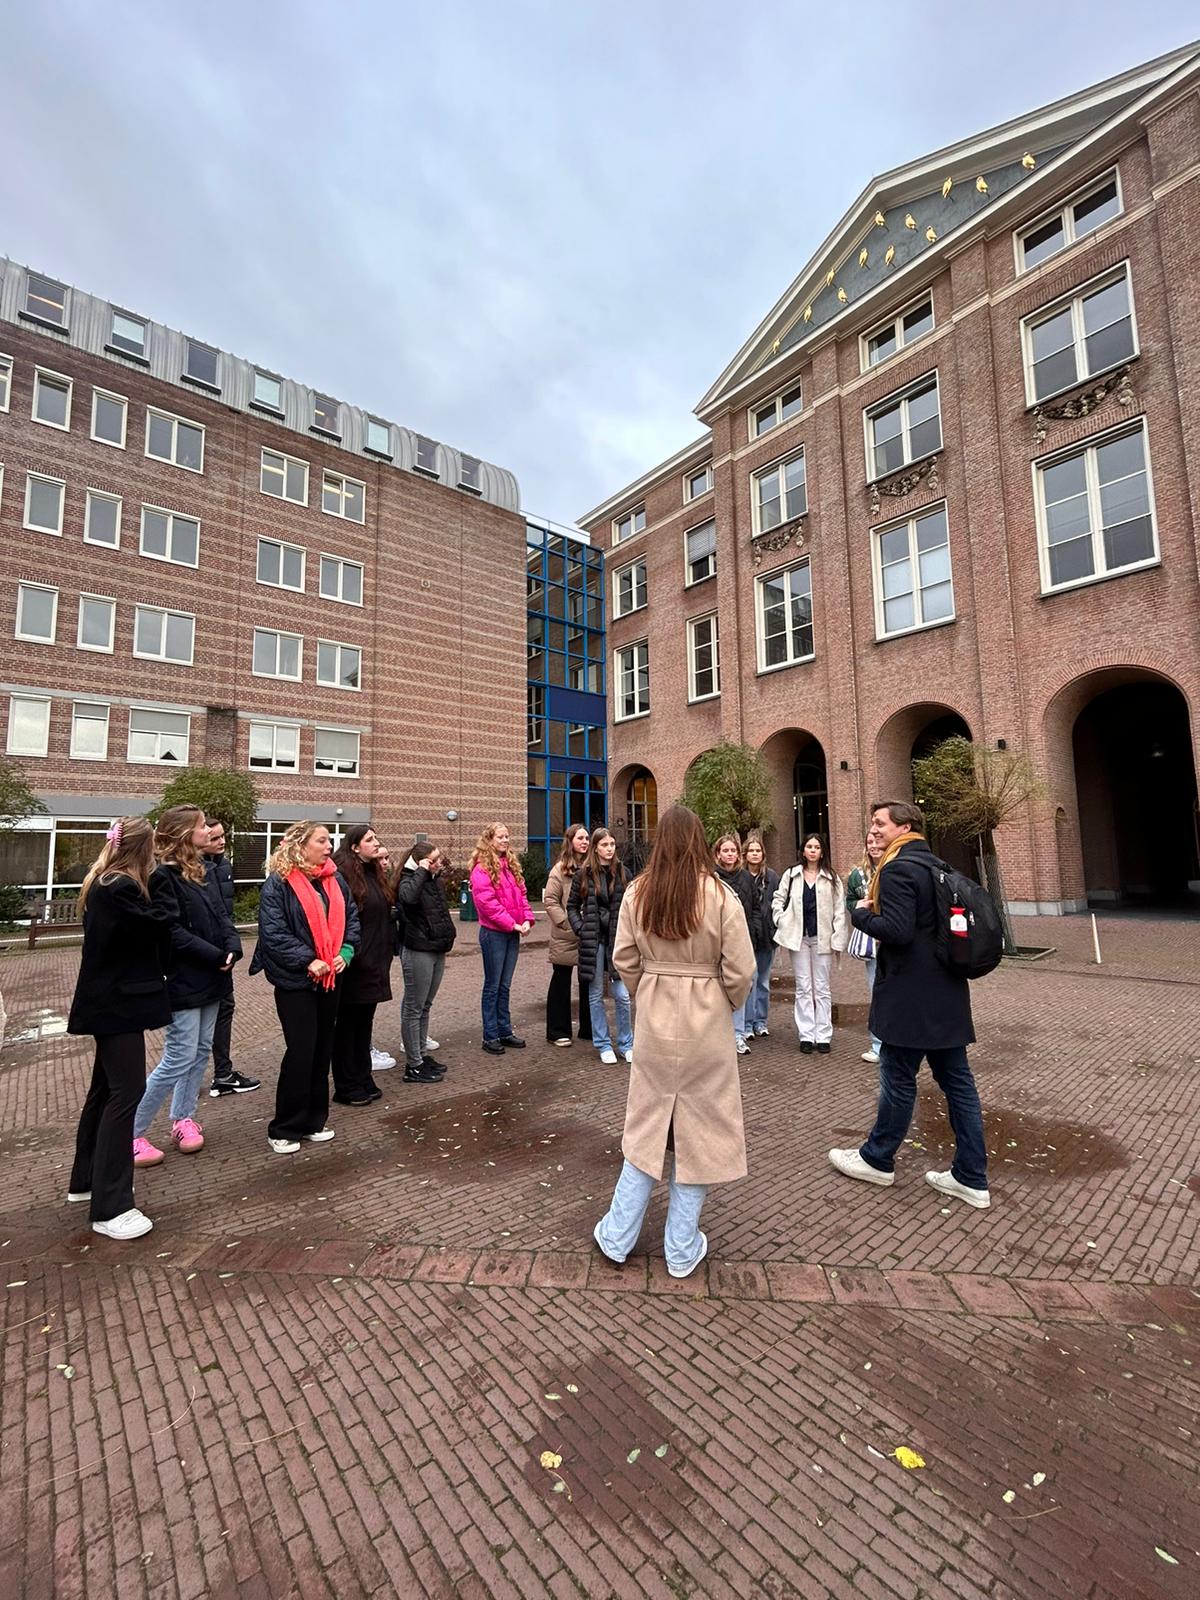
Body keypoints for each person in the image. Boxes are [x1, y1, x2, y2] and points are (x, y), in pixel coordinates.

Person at [593, 805, 755, 1277]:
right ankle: (681, 1248)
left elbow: (623, 957)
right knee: (700, 1133)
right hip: (706, 1020)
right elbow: (741, 969)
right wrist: (720, 999)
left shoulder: (637, 892)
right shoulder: (720, 895)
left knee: (646, 1128)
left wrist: (650, 988)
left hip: (657, 1017)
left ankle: (618, 1236)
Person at [830, 799, 990, 1209]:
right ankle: (971, 1175)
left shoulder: (899, 868)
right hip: (946, 993)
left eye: (880, 823)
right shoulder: (935, 864)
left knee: (898, 1079)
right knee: (958, 1083)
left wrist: (860, 914)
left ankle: (877, 1159)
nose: (874, 830)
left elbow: (897, 931)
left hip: (910, 997)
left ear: (904, 826)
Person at [66, 818, 176, 1240]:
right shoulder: (120, 887)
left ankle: (86, 1179)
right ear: (142, 849)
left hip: (110, 1001)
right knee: (126, 1094)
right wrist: (164, 880)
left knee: (104, 1091)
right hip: (117, 1004)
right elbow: (158, 922)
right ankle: (111, 1206)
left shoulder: (106, 883)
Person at [131, 806, 242, 1165]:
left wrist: (232, 947)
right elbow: (171, 931)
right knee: (178, 1055)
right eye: (200, 826)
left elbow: (222, 916)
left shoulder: (202, 871)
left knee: (200, 1050)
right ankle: (131, 1131)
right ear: (183, 833)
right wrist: (213, 954)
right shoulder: (164, 876)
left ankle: (183, 1118)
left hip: (214, 976)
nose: (207, 831)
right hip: (186, 978)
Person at [249, 822, 360, 1154]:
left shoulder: (334, 879)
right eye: (322, 840)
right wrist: (308, 959)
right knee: (301, 1051)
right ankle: (284, 1127)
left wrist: (345, 952)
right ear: (301, 845)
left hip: (331, 978)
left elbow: (351, 919)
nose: (329, 846)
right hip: (295, 981)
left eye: (330, 840)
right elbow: (274, 932)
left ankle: (314, 1120)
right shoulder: (278, 883)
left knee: (322, 1048)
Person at [330, 826, 393, 1107]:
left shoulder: (372, 872)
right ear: (355, 847)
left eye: (376, 838)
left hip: (376, 960)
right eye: (370, 840)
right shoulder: (344, 874)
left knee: (364, 1024)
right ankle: (346, 1084)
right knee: (348, 1025)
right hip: (355, 963)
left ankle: (362, 1076)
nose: (376, 844)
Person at [772, 833, 847, 1055]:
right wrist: (780, 918)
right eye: (809, 846)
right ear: (803, 851)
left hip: (822, 938)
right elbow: (778, 897)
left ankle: (823, 1035)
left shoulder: (831, 878)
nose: (812, 850)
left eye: (816, 847)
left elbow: (839, 910)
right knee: (804, 987)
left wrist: (837, 938)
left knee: (822, 988)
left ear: (822, 852)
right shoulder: (792, 875)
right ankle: (806, 1034)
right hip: (799, 938)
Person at [204, 816, 260, 1098]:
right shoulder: (195, 869)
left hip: (223, 952)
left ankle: (223, 1073)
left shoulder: (223, 864)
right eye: (214, 838)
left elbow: (225, 913)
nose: (221, 841)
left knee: (225, 1010)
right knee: (195, 1023)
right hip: (203, 956)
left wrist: (232, 945)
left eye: (223, 836)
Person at [569, 827, 634, 1065]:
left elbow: (632, 905)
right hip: (594, 940)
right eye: (605, 845)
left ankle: (627, 1043)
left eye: (612, 845)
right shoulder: (583, 874)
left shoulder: (624, 873)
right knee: (595, 994)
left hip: (617, 940)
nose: (609, 849)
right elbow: (572, 906)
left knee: (622, 995)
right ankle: (603, 1044)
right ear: (596, 847)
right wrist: (581, 929)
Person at [469, 823, 534, 1055]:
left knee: (504, 986)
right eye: (500, 837)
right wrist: (512, 923)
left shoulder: (511, 866)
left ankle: (505, 1031)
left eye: (507, 836)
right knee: (493, 986)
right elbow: (488, 905)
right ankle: (490, 1035)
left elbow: (523, 896)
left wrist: (526, 918)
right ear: (489, 840)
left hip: (512, 933)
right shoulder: (481, 870)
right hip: (494, 934)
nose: (505, 840)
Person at [396, 840, 457, 1082]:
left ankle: (421, 1053)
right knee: (414, 1006)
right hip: (418, 949)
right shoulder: (409, 878)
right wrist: (421, 870)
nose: (440, 863)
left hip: (436, 946)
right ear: (423, 861)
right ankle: (414, 1065)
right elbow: (408, 898)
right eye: (435, 859)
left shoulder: (433, 880)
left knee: (426, 1005)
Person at [543, 825, 592, 1046]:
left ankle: (588, 1028)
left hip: (589, 934)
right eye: (580, 838)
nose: (585, 841)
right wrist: (565, 923)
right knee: (561, 982)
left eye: (587, 838)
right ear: (570, 841)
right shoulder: (559, 870)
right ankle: (557, 1031)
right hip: (566, 935)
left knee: (588, 982)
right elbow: (551, 900)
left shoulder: (593, 867)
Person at [845, 830, 885, 1065]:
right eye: (869, 842)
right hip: (872, 941)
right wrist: (857, 906)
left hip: (894, 940)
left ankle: (900, 1043)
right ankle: (878, 1045)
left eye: (877, 841)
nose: (873, 846)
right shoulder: (858, 875)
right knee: (876, 992)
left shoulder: (894, 868)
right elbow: (850, 900)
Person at [713, 834, 755, 1055]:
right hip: (719, 941)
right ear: (718, 853)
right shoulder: (712, 879)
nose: (729, 854)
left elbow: (756, 907)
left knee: (739, 983)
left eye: (733, 851)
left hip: (742, 938)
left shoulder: (747, 878)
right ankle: (722, 1033)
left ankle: (738, 1034)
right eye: (725, 851)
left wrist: (755, 932)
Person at [743, 834, 779, 1039]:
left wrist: (774, 927)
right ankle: (747, 1024)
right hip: (748, 935)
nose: (755, 854)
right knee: (749, 979)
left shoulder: (772, 877)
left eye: (758, 851)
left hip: (766, 935)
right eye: (751, 851)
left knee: (763, 980)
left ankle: (761, 1021)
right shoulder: (741, 876)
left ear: (763, 854)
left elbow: (779, 902)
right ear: (746, 854)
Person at [369, 844, 399, 1071]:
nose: (386, 862)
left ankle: (366, 1047)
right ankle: (365, 1050)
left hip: (383, 950)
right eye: (382, 858)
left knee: (370, 1004)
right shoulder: (366, 885)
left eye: (388, 857)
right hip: (369, 953)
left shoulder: (383, 883)